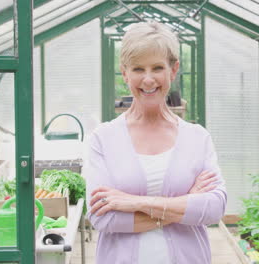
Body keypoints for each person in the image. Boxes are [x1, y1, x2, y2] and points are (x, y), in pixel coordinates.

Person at [84, 21, 227, 264]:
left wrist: (135, 202)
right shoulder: (103, 138)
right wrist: (184, 206)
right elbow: (103, 218)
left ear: (173, 70)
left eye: (157, 68)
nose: (148, 79)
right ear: (125, 72)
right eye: (138, 69)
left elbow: (213, 209)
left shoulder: (197, 138)